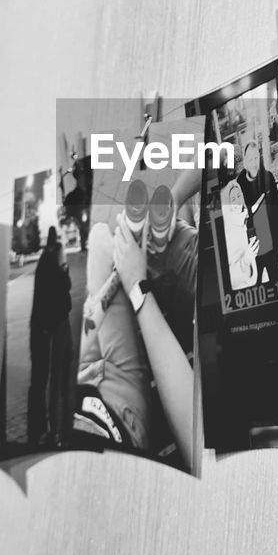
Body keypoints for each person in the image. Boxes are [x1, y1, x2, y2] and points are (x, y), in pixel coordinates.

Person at [75, 178, 198, 470]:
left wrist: (176, 195)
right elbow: (194, 435)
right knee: (150, 243)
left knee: (101, 237)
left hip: (83, 384)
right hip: (119, 414)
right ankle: (160, 245)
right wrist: (135, 285)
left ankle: (159, 239)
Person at [28, 226, 72, 445]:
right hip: (47, 330)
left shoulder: (45, 262)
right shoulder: (53, 266)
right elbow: (64, 291)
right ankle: (47, 431)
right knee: (49, 382)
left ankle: (41, 430)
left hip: (42, 328)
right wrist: (64, 268)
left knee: (43, 381)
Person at [234, 141, 278, 283]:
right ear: (245, 162)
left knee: (276, 281)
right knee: (255, 285)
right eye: (250, 159)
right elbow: (238, 217)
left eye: (256, 158)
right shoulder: (240, 186)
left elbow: (277, 210)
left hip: (272, 245)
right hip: (253, 250)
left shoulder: (268, 178)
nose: (254, 162)